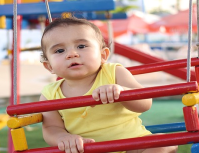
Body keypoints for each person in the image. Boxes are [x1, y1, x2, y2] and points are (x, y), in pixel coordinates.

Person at [39, 17, 178, 153]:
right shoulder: (50, 94)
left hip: (134, 144)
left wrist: (122, 92)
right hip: (89, 149)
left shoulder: (114, 72)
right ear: (49, 66)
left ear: (103, 55)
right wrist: (63, 137)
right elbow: (51, 127)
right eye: (59, 51)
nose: (72, 54)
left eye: (81, 46)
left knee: (166, 142)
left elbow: (145, 102)